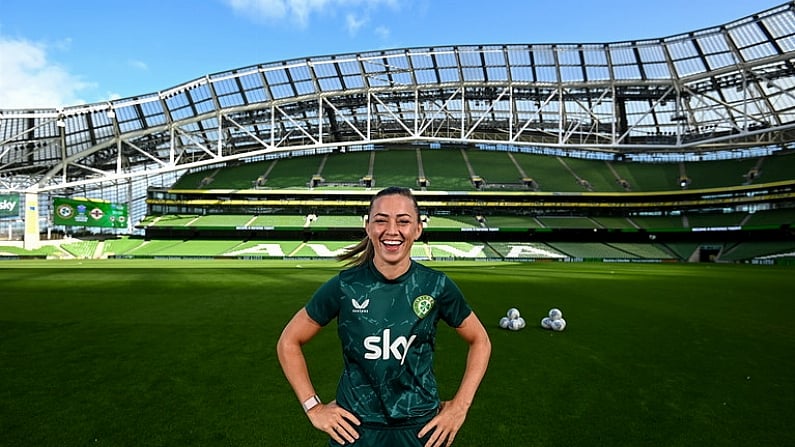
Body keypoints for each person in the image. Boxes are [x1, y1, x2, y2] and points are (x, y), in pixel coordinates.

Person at [277, 186, 491, 447]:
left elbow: (480, 340)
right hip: (355, 431)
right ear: (368, 227)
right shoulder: (344, 286)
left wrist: (460, 407)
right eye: (381, 220)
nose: (392, 230)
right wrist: (313, 407)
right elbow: (288, 341)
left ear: (417, 229)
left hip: (421, 430)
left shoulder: (436, 285)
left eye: (403, 221)